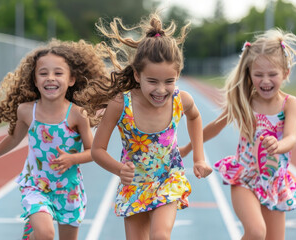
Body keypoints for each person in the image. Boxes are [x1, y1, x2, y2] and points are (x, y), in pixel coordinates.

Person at [80, 12, 213, 239]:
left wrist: (199, 157)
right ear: (137, 75)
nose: (161, 90)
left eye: (169, 81)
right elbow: (97, 150)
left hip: (168, 178)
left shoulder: (181, 100)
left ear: (178, 75)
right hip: (135, 185)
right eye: (152, 81)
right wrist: (119, 169)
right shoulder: (121, 104)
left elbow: (195, 117)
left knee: (160, 235)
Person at [0, 39, 111, 240]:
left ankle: (31, 231)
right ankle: (35, 227)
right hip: (36, 185)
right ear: (35, 80)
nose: (50, 78)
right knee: (46, 233)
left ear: (71, 79)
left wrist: (73, 159)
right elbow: (13, 139)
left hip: (69, 190)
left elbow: (93, 152)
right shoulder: (27, 111)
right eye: (43, 73)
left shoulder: (77, 114)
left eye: (58, 73)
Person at [180, 28, 296, 239]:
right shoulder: (246, 101)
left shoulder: (290, 104)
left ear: (286, 73)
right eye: (258, 75)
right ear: (249, 74)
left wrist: (278, 145)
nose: (265, 81)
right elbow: (215, 126)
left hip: (274, 181)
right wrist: (187, 148)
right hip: (245, 177)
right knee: (257, 232)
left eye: (272, 74)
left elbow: (291, 138)